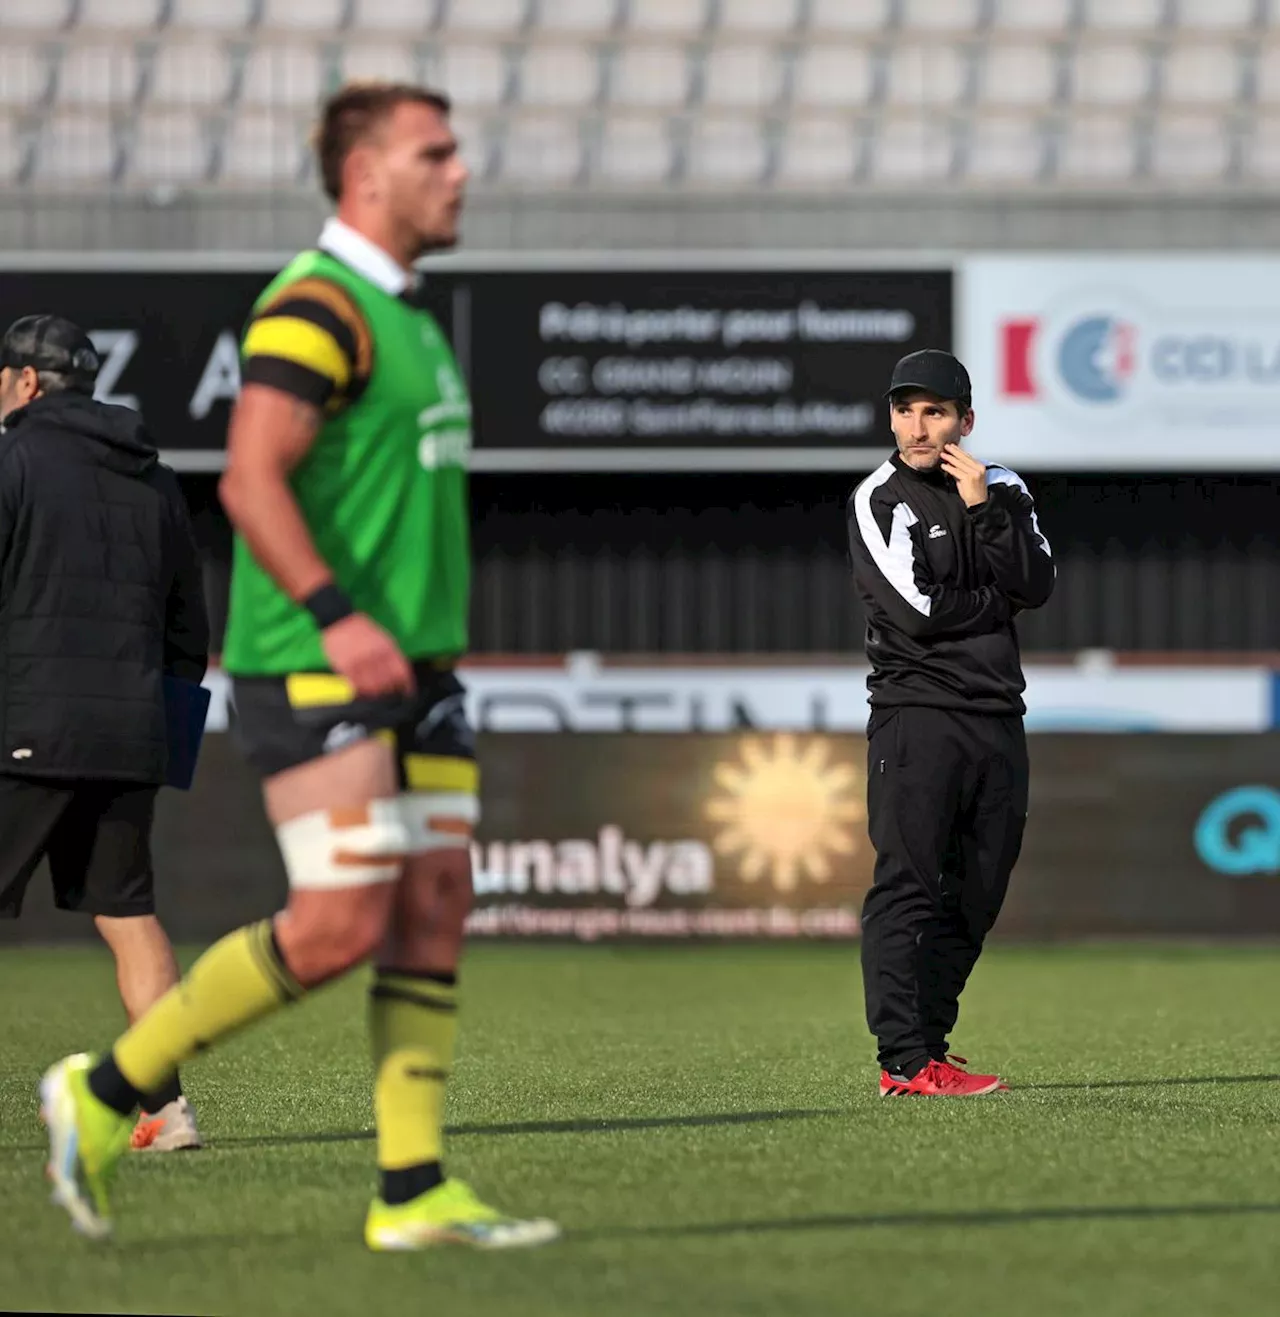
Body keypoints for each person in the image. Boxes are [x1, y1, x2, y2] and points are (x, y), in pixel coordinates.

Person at [39, 82, 559, 1250]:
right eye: (437, 152)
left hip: (418, 673)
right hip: (317, 665)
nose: (460, 170)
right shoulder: (313, 306)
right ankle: (107, 1091)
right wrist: (333, 614)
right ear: (367, 175)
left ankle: (413, 1192)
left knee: (433, 908)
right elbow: (249, 477)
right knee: (334, 927)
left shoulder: (414, 318)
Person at [0, 314, 208, 1150]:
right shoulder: (154, 479)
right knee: (130, 918)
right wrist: (155, 727)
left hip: (23, 728)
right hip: (127, 735)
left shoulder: (12, 459)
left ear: (23, 382)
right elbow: (190, 629)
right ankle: (164, 1111)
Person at [846, 349, 1055, 1098]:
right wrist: (999, 605)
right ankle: (901, 1059)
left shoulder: (1003, 487)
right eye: (905, 409)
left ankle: (931, 1046)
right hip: (917, 717)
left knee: (978, 891)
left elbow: (1037, 581)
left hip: (998, 715)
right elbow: (918, 612)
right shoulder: (879, 497)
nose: (917, 425)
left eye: (935, 411)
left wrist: (981, 512)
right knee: (907, 884)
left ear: (966, 419)